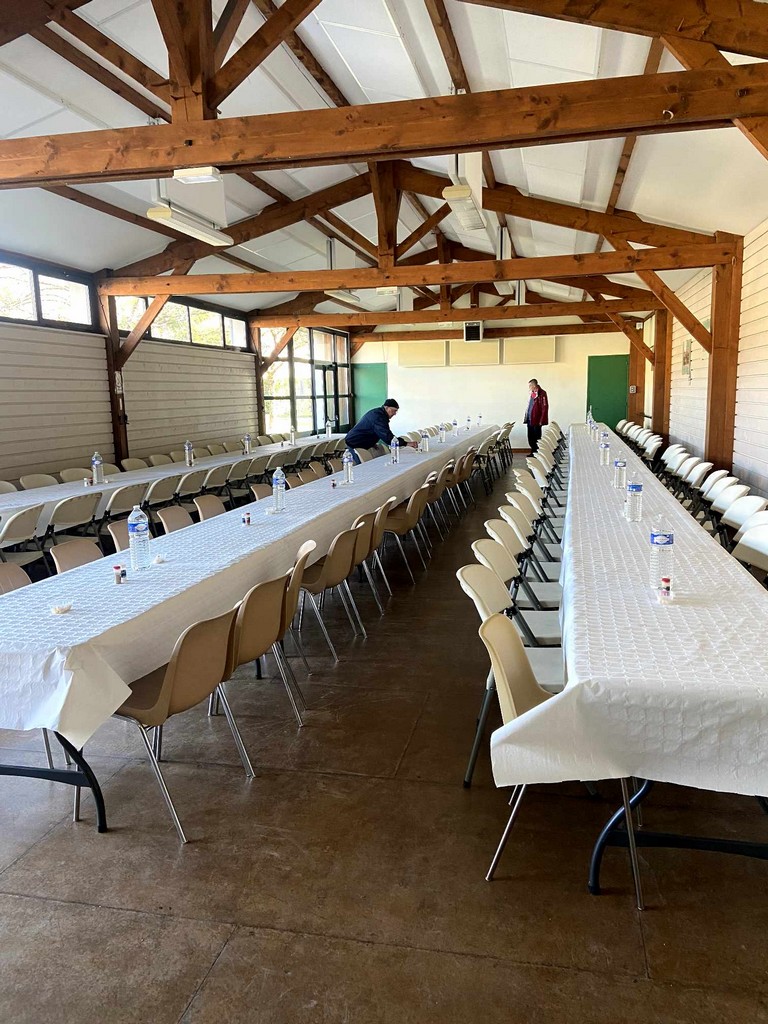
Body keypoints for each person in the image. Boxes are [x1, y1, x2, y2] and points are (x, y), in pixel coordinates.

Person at [345, 398, 417, 464]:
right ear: (386, 408)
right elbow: (387, 437)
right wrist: (406, 443)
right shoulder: (378, 416)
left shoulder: (380, 414)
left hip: (361, 443)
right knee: (360, 467)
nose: (395, 414)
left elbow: (375, 431)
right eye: (394, 410)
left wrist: (372, 442)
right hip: (354, 443)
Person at [523, 378, 549, 453]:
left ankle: (536, 452)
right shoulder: (531, 393)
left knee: (536, 437)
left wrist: (542, 420)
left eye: (530, 386)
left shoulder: (542, 393)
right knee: (530, 436)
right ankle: (532, 451)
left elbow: (544, 407)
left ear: (534, 386)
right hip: (529, 419)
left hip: (536, 420)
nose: (529, 387)